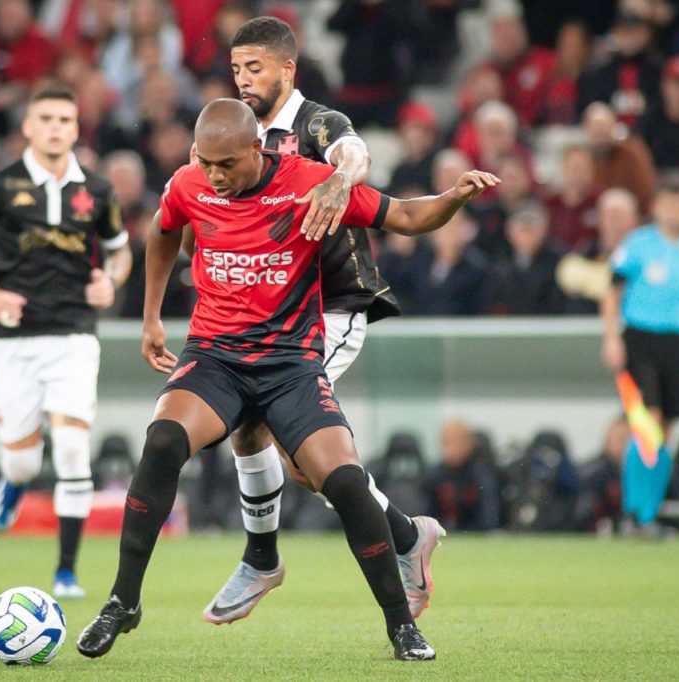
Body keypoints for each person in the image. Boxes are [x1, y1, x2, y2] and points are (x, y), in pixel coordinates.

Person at [74, 98, 499, 662]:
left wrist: (453, 198)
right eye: (207, 163)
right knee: (162, 441)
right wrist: (151, 317)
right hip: (216, 357)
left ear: (258, 148)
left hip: (289, 365)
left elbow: (404, 217)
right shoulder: (187, 183)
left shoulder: (309, 182)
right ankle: (122, 603)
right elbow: (161, 232)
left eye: (227, 164)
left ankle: (401, 626)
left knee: (343, 480)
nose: (216, 176)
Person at [204, 16, 443, 627]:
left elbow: (354, 153)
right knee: (285, 452)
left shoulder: (316, 123)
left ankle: (263, 558)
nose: (243, 79)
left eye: (254, 68)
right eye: (236, 69)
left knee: (270, 427)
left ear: (288, 67)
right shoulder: (235, 138)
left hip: (330, 307)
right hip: (268, 313)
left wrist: (340, 180)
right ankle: (406, 538)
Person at [0, 85, 133, 599]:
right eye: (44, 117)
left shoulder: (97, 190)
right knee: (24, 462)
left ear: (76, 128)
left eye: (64, 119)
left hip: (73, 334)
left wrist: (110, 282)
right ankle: (14, 478)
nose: (54, 127)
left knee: (73, 448)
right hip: (13, 339)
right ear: (27, 127)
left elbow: (120, 252)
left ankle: (66, 572)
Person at [601, 179, 679, 526]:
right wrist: (611, 337)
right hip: (639, 338)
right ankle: (634, 509)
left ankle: (648, 511)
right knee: (645, 420)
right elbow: (612, 291)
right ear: (656, 207)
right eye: (668, 204)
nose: (675, 212)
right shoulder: (637, 245)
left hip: (675, 342)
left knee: (665, 429)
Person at [420, 420, 501, 532]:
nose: (451, 449)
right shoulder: (433, 476)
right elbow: (425, 519)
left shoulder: (482, 476)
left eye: (457, 441)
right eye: (447, 442)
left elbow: (489, 519)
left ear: (469, 443)